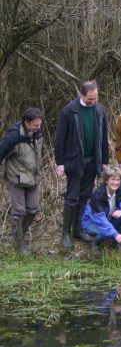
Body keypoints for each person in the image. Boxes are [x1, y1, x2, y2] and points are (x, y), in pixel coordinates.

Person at [55, 80, 109, 249]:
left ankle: (78, 230)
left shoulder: (100, 112)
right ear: (81, 94)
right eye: (90, 99)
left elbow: (103, 139)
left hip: (93, 162)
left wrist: (104, 162)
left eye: (95, 99)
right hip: (74, 161)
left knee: (84, 197)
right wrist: (60, 163)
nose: (93, 102)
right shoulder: (69, 111)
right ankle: (66, 234)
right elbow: (60, 139)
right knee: (72, 198)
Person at [0, 108, 43, 255]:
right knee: (19, 211)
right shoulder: (13, 137)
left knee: (34, 208)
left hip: (33, 178)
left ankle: (19, 236)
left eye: (40, 124)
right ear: (26, 123)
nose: (38, 128)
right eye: (35, 125)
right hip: (16, 179)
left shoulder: (38, 133)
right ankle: (19, 245)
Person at [81, 165, 121, 252]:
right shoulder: (98, 195)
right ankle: (96, 242)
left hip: (109, 219)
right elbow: (101, 220)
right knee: (105, 231)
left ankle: (117, 243)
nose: (116, 183)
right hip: (93, 222)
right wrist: (115, 234)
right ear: (106, 180)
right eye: (113, 179)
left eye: (118, 179)